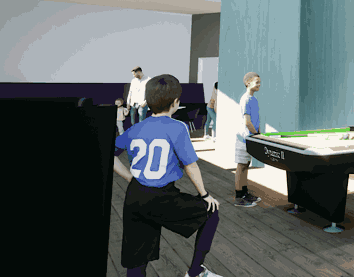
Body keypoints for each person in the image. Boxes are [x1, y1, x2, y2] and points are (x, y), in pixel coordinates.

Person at [112, 74, 223, 277]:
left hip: (135, 195)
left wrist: (129, 178)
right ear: (175, 102)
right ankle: (196, 271)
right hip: (162, 196)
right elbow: (190, 166)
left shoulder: (135, 128)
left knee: (137, 258)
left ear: (148, 102)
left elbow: (110, 155)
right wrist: (205, 195)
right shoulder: (178, 128)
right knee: (211, 212)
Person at [233, 72, 262, 207]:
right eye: (257, 82)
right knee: (241, 166)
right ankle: (239, 197)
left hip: (251, 138)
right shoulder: (245, 99)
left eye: (260, 82)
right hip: (243, 139)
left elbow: (256, 119)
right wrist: (257, 134)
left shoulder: (253, 99)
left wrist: (258, 133)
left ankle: (245, 193)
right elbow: (247, 122)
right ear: (248, 83)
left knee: (246, 165)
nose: (259, 84)